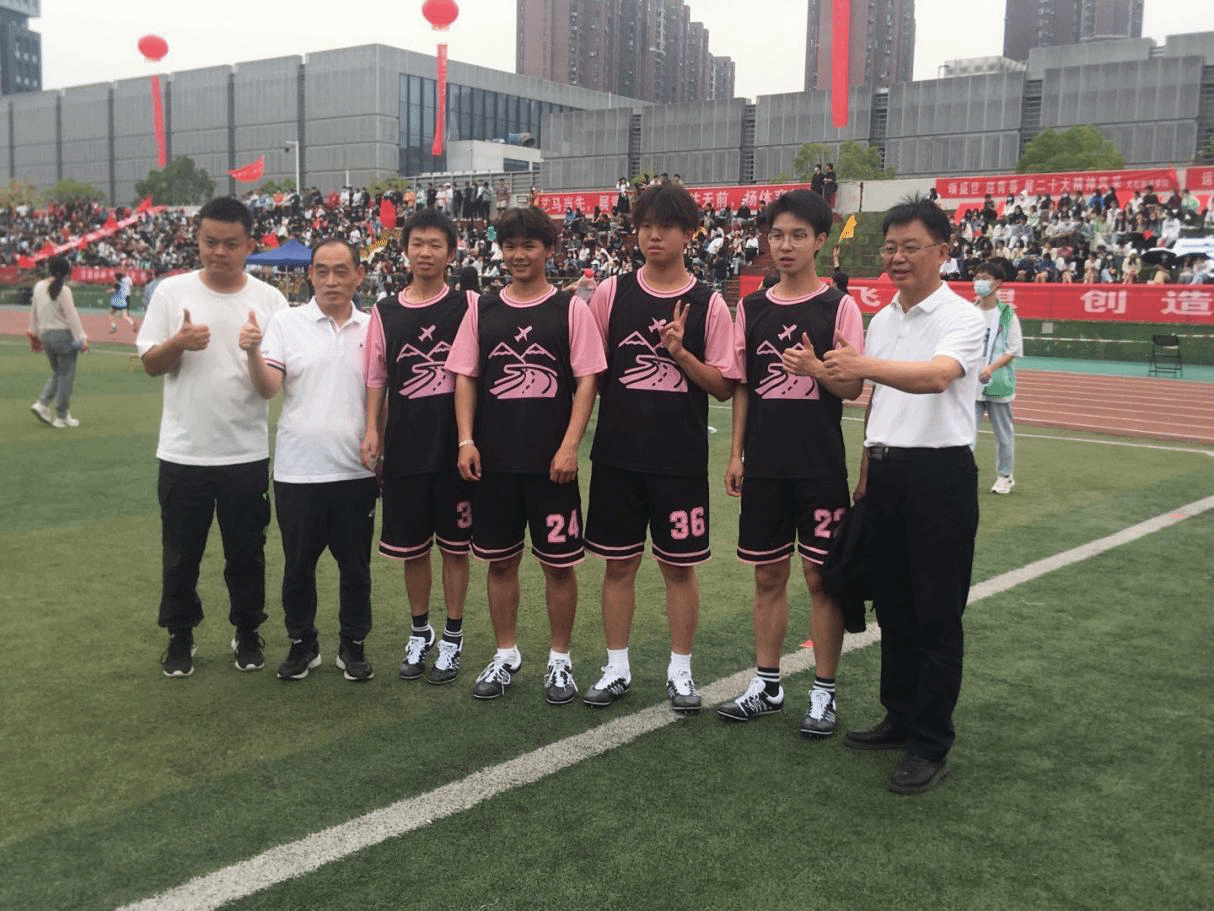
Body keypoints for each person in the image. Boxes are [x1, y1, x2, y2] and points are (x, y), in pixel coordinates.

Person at [820, 197, 985, 794]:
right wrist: (867, 466)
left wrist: (862, 364)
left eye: (910, 247)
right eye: (890, 247)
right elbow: (876, 396)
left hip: (939, 478)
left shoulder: (964, 318)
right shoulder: (884, 318)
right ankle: (900, 715)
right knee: (893, 606)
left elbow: (936, 377)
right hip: (886, 475)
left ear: (942, 252)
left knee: (937, 613)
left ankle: (930, 742)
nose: (897, 257)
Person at [582, 182, 735, 713]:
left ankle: (681, 672)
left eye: (665, 226)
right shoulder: (611, 293)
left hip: (679, 459)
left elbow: (723, 385)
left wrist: (680, 354)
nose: (653, 236)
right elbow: (591, 372)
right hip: (617, 457)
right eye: (645, 225)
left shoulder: (709, 304)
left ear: (690, 233)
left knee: (679, 569)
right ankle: (616, 667)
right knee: (618, 566)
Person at [718, 189, 864, 737]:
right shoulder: (751, 307)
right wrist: (736, 454)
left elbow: (852, 387)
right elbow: (743, 387)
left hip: (820, 465)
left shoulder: (838, 306)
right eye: (777, 234)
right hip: (765, 466)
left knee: (821, 577)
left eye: (798, 235)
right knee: (768, 574)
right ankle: (767, 685)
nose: (785, 245)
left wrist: (816, 370)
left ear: (820, 241)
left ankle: (823, 692)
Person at [446, 206, 605, 704]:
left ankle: (560, 659)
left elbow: (587, 381)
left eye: (529, 246)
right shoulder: (483, 309)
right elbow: (466, 377)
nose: (518, 255)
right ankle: (506, 653)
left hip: (552, 467)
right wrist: (466, 440)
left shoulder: (570, 309)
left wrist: (569, 445)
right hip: (494, 464)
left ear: (549, 250)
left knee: (559, 566)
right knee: (499, 563)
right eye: (510, 246)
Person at [136, 197, 289, 678]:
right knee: (181, 555)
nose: (219, 252)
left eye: (231, 243)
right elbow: (150, 364)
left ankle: (248, 631)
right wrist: (177, 344)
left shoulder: (270, 300)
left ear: (249, 245)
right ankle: (180, 635)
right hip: (183, 453)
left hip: (244, 453)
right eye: (210, 242)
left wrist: (254, 350)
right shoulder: (171, 292)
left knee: (247, 553)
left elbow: (272, 386)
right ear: (198, 240)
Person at [239, 238, 378, 682]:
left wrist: (379, 438)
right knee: (298, 568)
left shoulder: (374, 326)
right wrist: (251, 352)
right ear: (310, 275)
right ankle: (303, 644)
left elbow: (382, 395)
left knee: (355, 568)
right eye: (322, 271)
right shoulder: (286, 323)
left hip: (356, 471)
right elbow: (268, 388)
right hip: (298, 471)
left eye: (341, 271)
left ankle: (353, 645)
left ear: (359, 275)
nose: (331, 280)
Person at [361, 208, 475, 685]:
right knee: (412, 549)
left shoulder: (469, 305)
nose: (425, 252)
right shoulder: (384, 312)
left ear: (451, 253)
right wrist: (373, 429)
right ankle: (420, 630)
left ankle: (452, 636)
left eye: (435, 245)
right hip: (406, 448)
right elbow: (377, 377)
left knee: (455, 548)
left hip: (454, 450)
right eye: (417, 244)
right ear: (405, 250)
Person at [972, 258, 1023, 495]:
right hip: (972, 384)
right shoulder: (970, 311)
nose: (979, 283)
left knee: (1003, 435)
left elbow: (1013, 349)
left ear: (998, 283)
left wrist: (991, 368)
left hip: (998, 382)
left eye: (985, 278)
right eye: (977, 278)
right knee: (965, 433)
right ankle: (963, 474)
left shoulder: (1006, 314)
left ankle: (1005, 476)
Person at [28, 255, 88, 429]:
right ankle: (61, 415)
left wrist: (33, 333)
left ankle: (43, 404)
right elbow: (72, 317)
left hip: (46, 336)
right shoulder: (64, 290)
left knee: (59, 373)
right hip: (63, 336)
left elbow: (34, 312)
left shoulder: (39, 286)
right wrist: (82, 338)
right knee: (66, 376)